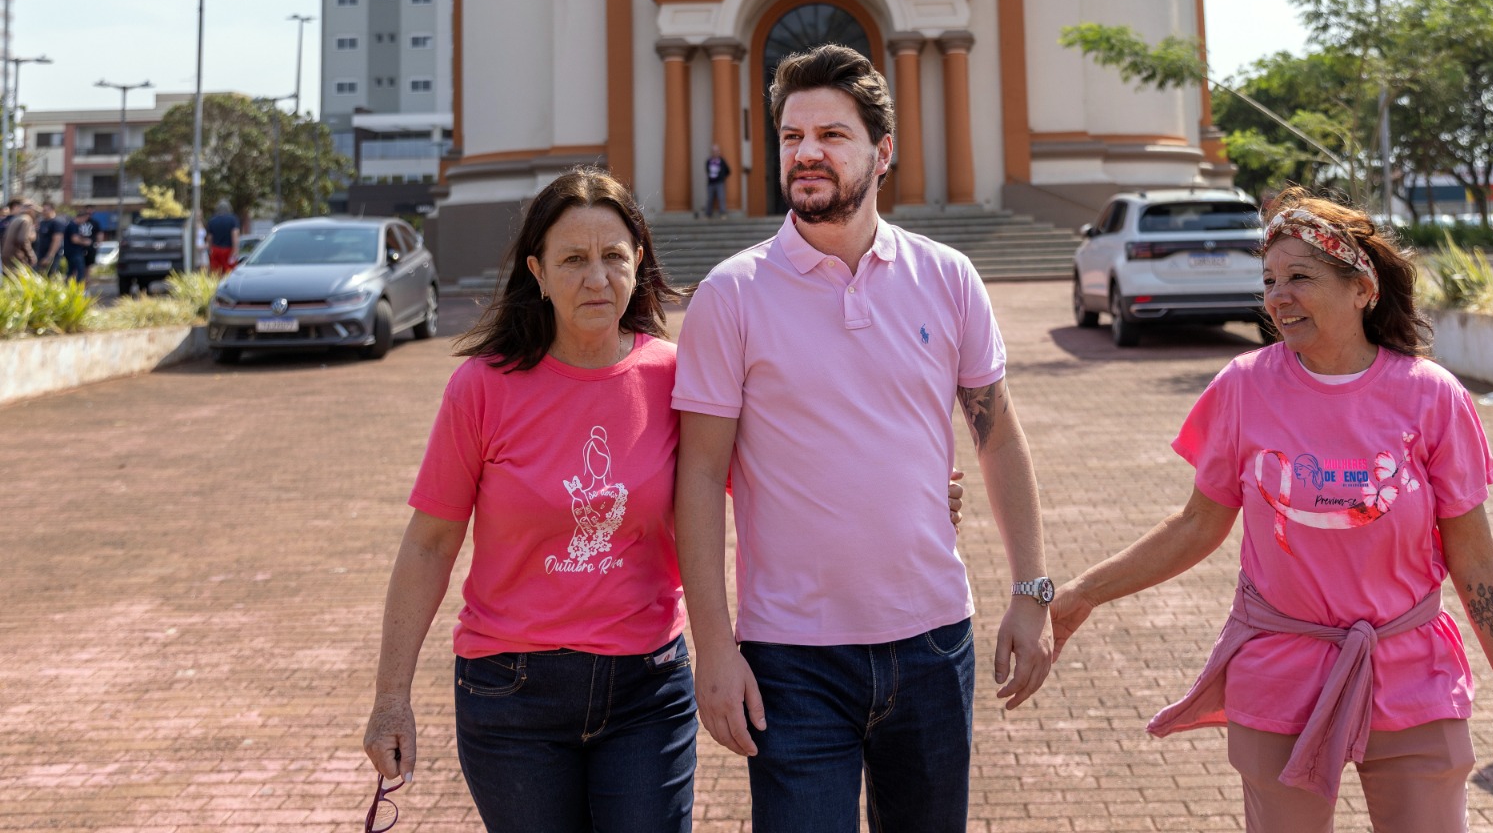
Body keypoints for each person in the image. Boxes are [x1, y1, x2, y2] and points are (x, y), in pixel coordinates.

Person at [359, 169, 970, 830]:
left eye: (612, 257)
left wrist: (906, 489)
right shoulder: (481, 389)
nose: (596, 279)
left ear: (639, 262)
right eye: (572, 259)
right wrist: (391, 696)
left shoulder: (677, 378)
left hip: (646, 693)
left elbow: (783, 475)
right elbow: (428, 545)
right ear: (536, 271)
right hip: (511, 695)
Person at [1049, 188, 1493, 831]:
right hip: (1281, 669)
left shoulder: (1430, 397)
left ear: (1362, 289)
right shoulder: (1243, 386)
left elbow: (1474, 555)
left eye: (1300, 277)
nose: (1277, 297)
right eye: (1268, 280)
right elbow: (1197, 525)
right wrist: (1083, 592)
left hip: (1409, 671)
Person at [673, 43, 1054, 833]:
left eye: (832, 135)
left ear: (882, 153)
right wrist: (713, 645)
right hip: (791, 659)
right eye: (790, 136)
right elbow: (700, 478)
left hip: (932, 643)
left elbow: (997, 438)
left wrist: (1031, 589)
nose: (806, 152)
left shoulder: (947, 277)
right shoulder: (729, 296)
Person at [62, 208, 98, 284]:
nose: (84, 221)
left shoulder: (73, 225)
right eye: (84, 219)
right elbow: (75, 239)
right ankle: (78, 289)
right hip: (74, 253)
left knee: (71, 271)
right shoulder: (73, 225)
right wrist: (86, 242)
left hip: (72, 253)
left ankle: (68, 287)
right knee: (80, 272)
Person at [205, 200, 240, 274]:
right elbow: (234, 235)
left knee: (216, 272)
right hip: (229, 250)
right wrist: (236, 250)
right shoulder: (233, 219)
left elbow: (209, 238)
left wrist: (209, 250)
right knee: (230, 272)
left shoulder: (212, 220)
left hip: (216, 250)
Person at [1, 204, 37, 273]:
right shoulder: (26, 219)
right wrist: (31, 255)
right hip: (16, 257)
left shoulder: (16, 218)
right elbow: (22, 239)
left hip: (7, 255)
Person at [34, 203, 65, 275]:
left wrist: (49, 257)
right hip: (41, 254)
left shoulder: (56, 222)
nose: (43, 212)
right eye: (43, 210)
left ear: (52, 210)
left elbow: (57, 240)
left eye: (45, 210)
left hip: (51, 256)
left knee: (51, 275)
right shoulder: (42, 222)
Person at [703, 144, 729, 218]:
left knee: (721, 197)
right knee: (710, 198)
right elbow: (707, 170)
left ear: (719, 152)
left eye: (716, 151)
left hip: (719, 182)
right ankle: (708, 214)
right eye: (713, 151)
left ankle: (723, 213)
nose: (715, 152)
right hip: (711, 182)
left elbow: (728, 170)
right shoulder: (708, 161)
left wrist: (722, 177)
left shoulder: (722, 161)